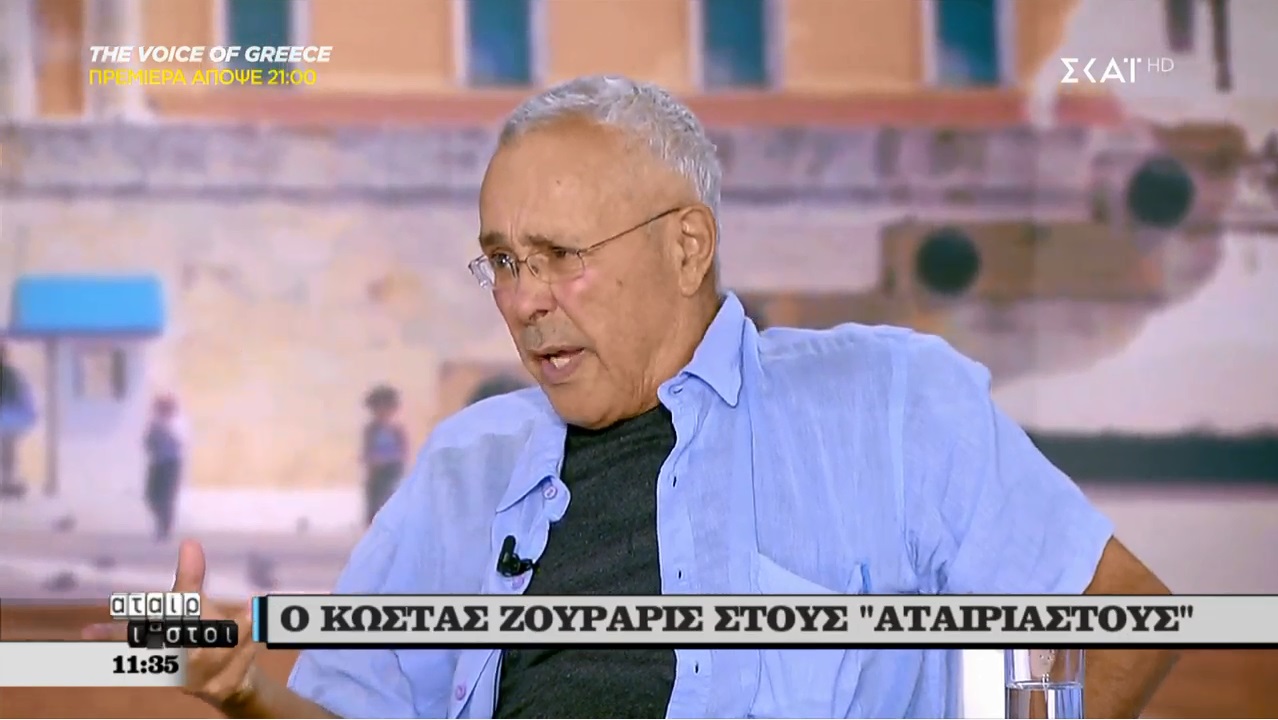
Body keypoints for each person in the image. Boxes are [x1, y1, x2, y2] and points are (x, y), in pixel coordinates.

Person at [84, 75, 1177, 718]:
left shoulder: (890, 402)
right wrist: (246, 686)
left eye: (559, 256)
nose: (522, 299)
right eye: (501, 261)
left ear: (687, 247)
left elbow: (1120, 622)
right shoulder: (465, 467)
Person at [361, 384, 408, 526]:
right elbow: (367, 450)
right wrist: (371, 460)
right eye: (377, 408)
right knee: (374, 506)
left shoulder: (397, 430)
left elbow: (403, 452)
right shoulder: (371, 430)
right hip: (376, 474)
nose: (381, 412)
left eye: (386, 408)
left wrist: (391, 460)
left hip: (392, 472)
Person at [143, 393, 186, 541]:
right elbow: (147, 441)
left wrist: (163, 429)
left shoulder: (177, 422)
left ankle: (165, 528)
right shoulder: (155, 422)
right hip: (157, 461)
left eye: (162, 406)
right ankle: (161, 523)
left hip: (171, 462)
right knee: (151, 495)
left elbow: (179, 441)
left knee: (166, 496)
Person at [0, 341, 38, 497]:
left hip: (8, 420)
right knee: (8, 452)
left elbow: (22, 396)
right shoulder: (12, 375)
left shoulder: (11, 375)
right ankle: (8, 481)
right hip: (10, 420)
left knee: (8, 452)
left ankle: (8, 481)